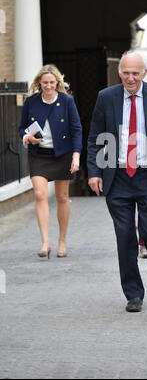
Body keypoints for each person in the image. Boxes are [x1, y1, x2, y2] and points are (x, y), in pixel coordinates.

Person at [87, 51, 147, 312]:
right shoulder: (106, 98)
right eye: (126, 72)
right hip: (117, 177)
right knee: (125, 236)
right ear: (120, 72)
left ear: (144, 74)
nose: (130, 78)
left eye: (135, 73)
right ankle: (133, 294)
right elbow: (95, 137)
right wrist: (94, 171)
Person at [19, 64, 82, 259]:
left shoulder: (66, 101)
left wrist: (76, 155)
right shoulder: (31, 102)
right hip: (39, 154)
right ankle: (45, 241)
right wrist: (28, 138)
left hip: (62, 154)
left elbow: (76, 129)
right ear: (39, 83)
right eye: (44, 82)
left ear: (57, 83)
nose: (48, 86)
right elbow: (22, 128)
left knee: (62, 197)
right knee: (40, 194)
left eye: (51, 83)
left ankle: (62, 240)